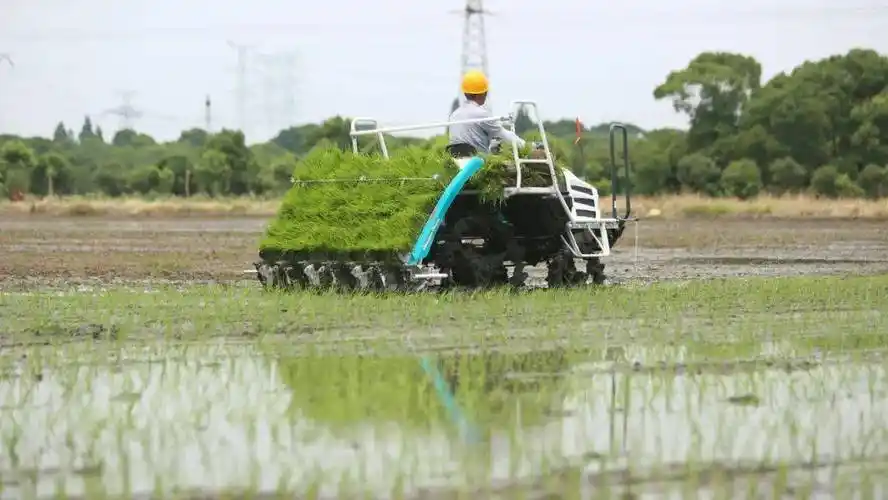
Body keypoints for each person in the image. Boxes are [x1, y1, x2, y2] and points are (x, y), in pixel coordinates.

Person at [447, 70, 526, 155]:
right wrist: (524, 145)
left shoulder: (454, 115)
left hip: (457, 161)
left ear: (465, 92)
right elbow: (503, 135)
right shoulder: (482, 114)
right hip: (478, 162)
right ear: (482, 93)